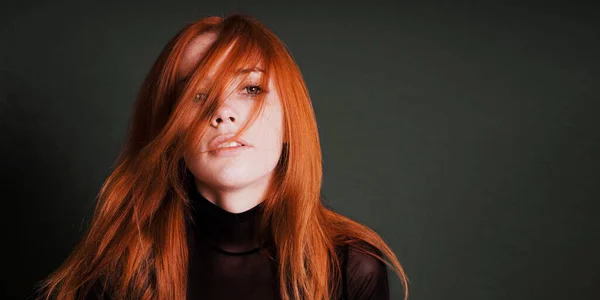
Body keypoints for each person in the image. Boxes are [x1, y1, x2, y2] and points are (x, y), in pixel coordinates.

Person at [33, 13, 409, 300]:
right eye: (196, 93)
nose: (223, 112)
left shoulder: (350, 266)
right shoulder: (120, 266)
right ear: (169, 131)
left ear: (291, 118)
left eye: (250, 88)